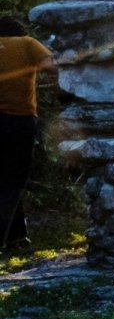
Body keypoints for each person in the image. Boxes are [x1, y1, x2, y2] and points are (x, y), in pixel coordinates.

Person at [0, 16, 53, 251]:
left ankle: (17, 238)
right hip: (19, 119)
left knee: (4, 180)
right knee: (14, 180)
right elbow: (50, 66)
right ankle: (7, 238)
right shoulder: (27, 43)